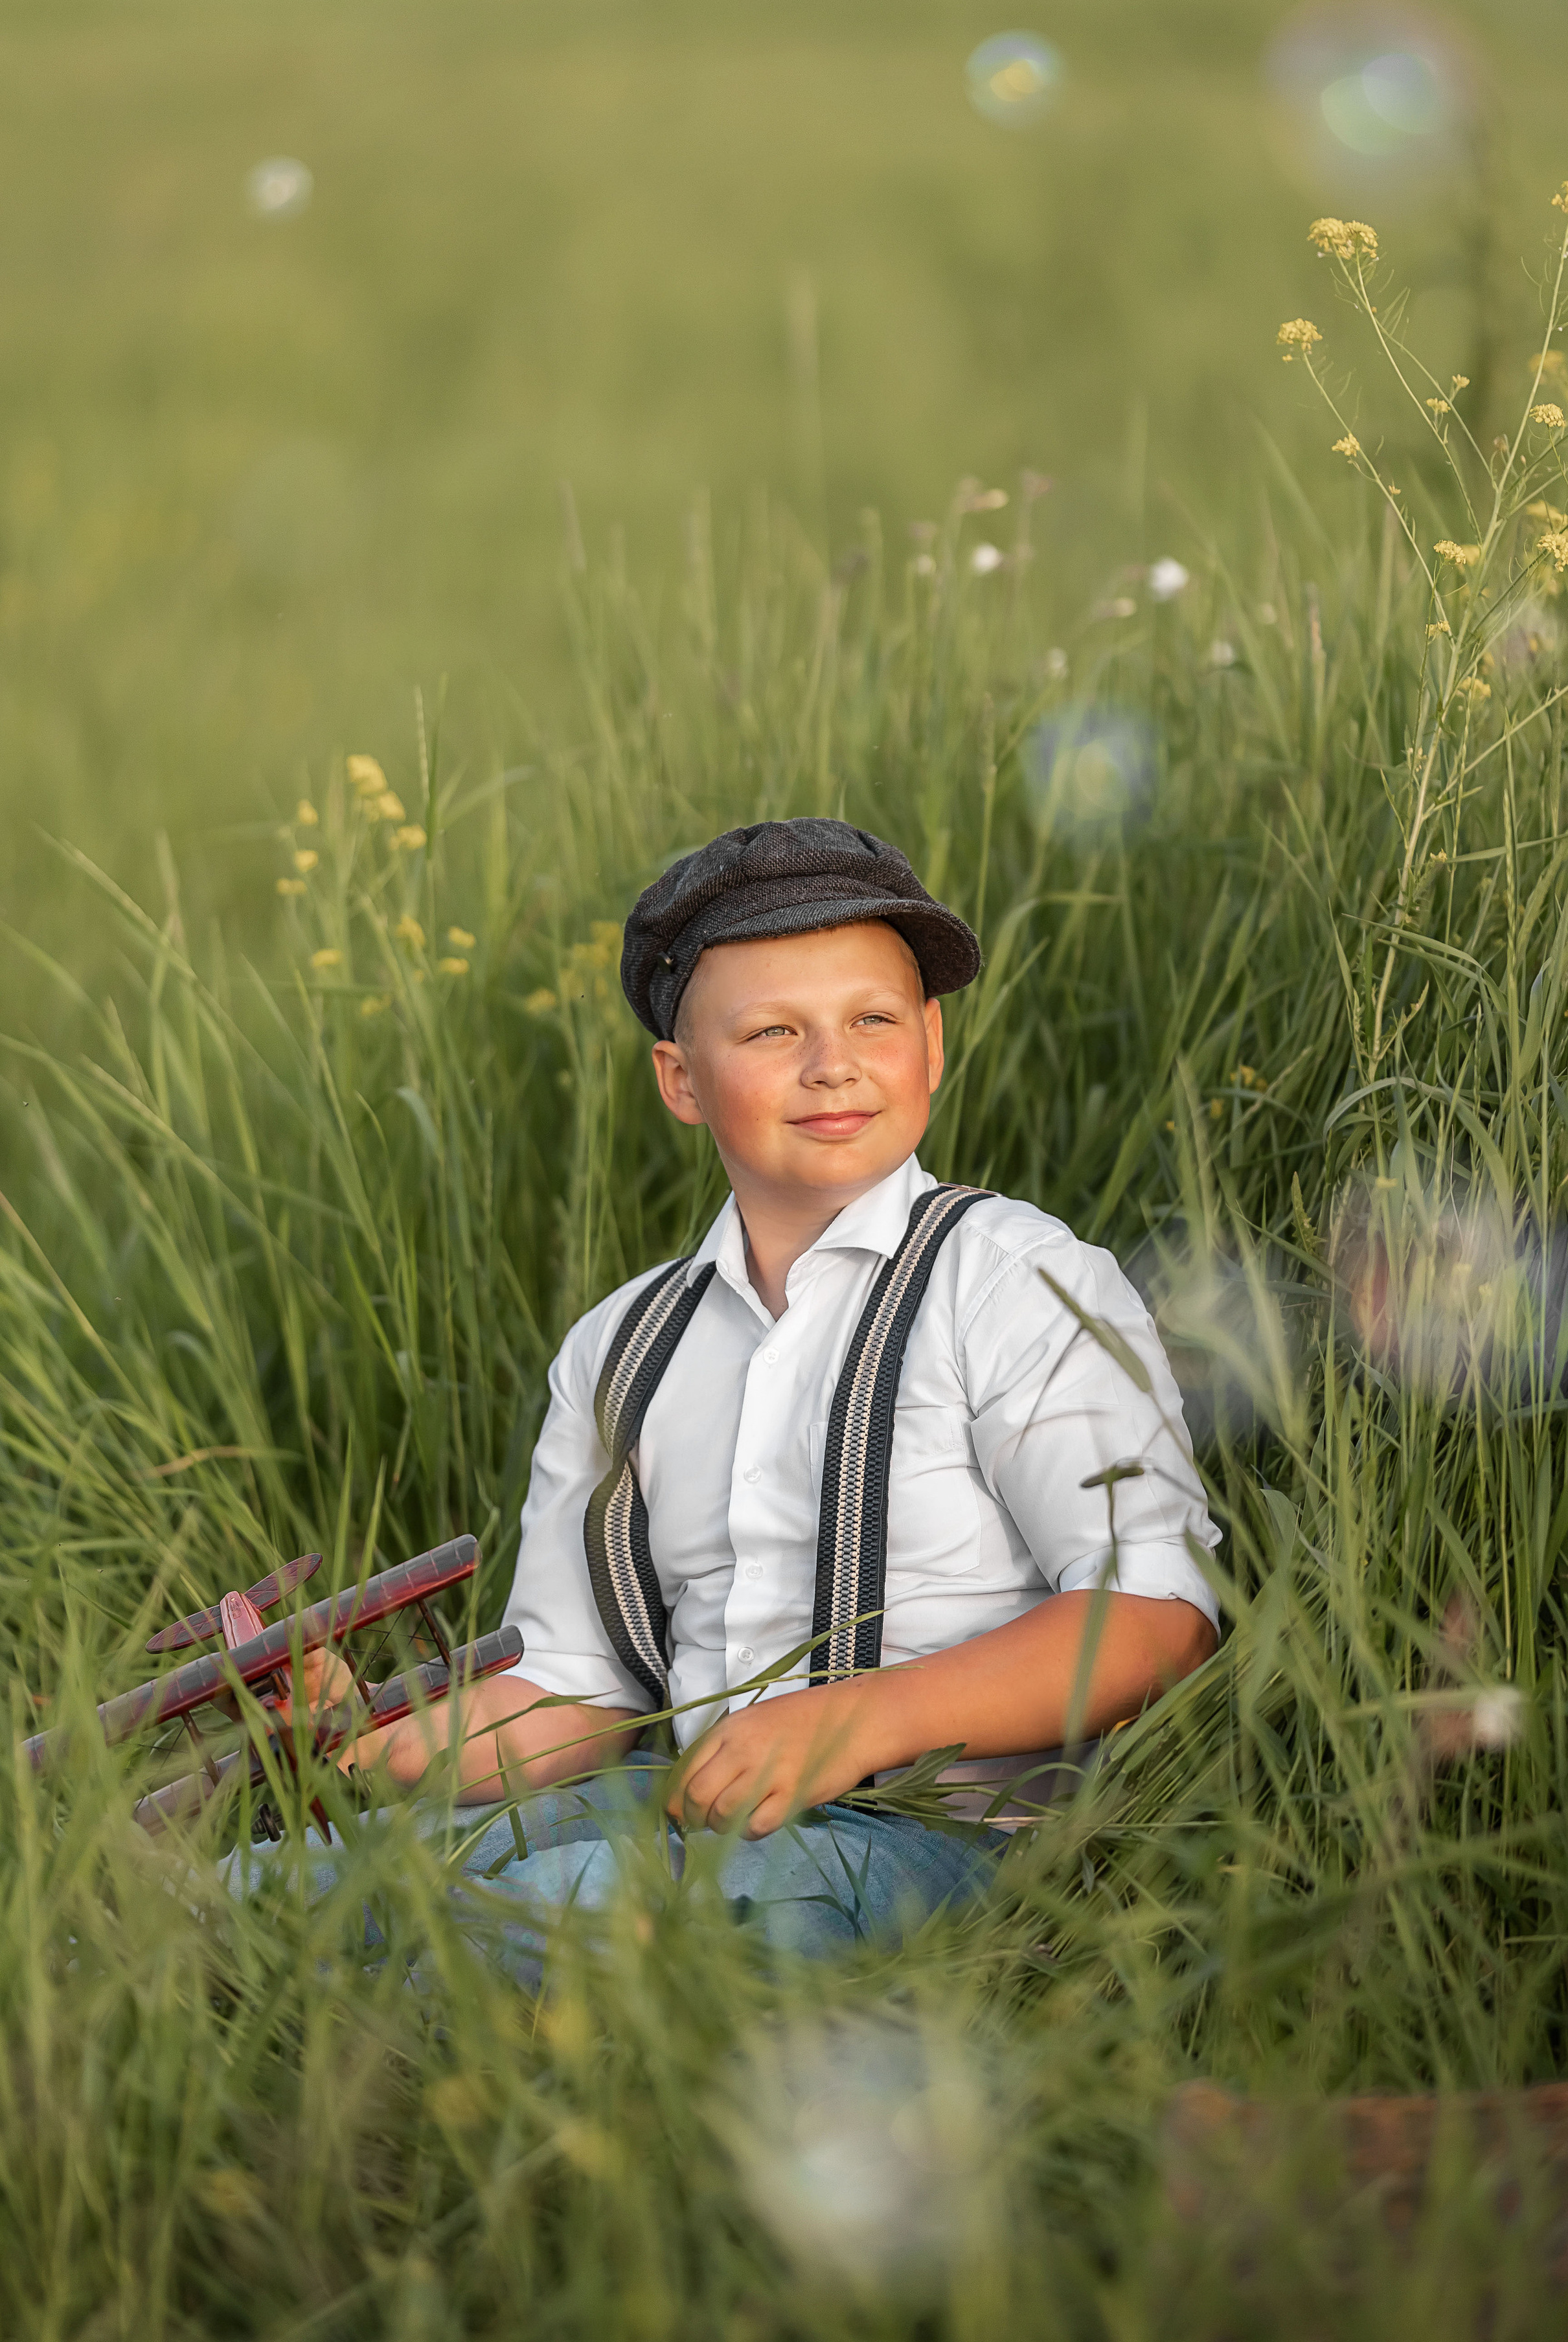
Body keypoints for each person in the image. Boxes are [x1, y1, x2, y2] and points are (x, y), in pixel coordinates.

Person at [337, 817, 1221, 1953]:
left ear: (933, 1044)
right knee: (278, 1889)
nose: (832, 1063)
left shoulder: (1014, 1280)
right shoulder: (620, 1347)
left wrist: (858, 1718)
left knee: (493, 1933)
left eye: (873, 1019)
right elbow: (575, 1694)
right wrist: (363, 1750)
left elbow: (1156, 1617)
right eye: (771, 1031)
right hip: (673, 1800)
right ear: (682, 1079)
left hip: (937, 1836)